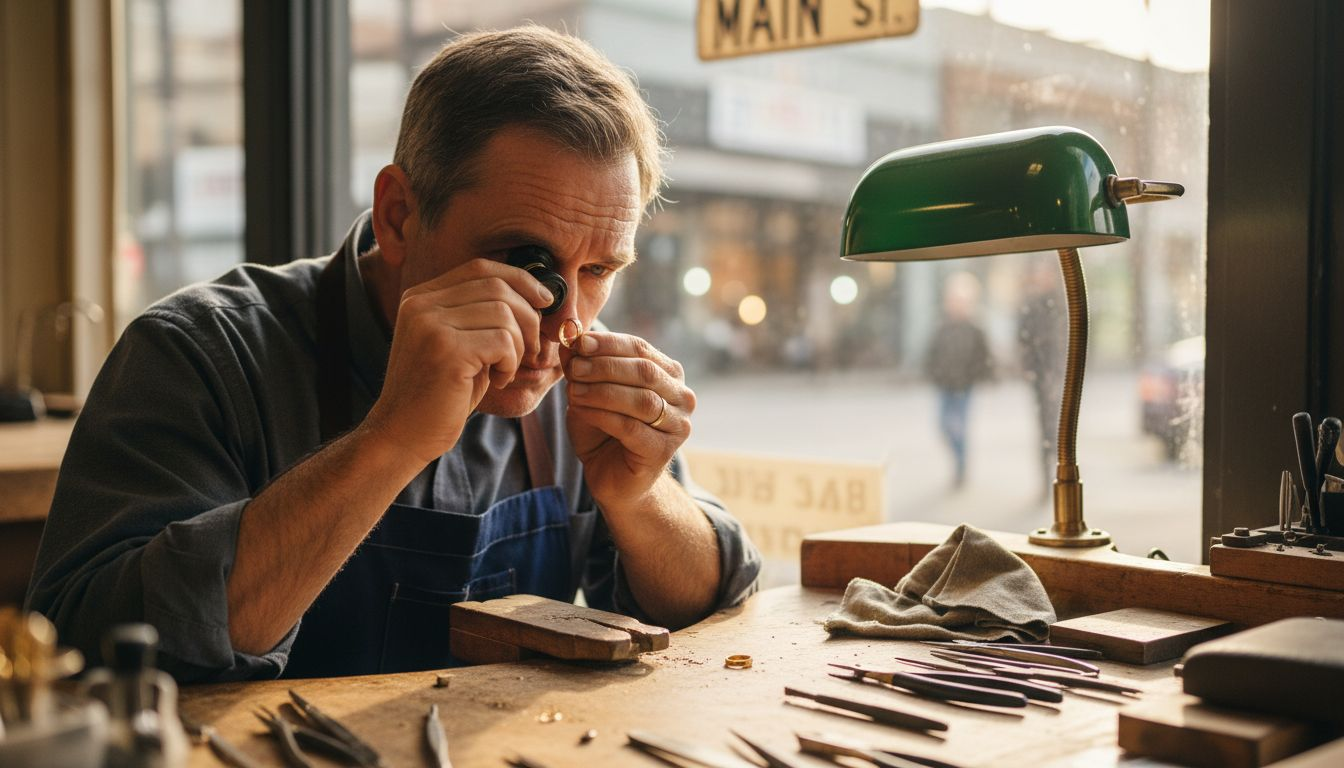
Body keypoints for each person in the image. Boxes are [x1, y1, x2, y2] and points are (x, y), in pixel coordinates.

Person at [26, 26, 760, 682]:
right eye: (524, 261)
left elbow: (711, 603)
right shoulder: (201, 355)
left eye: (599, 271)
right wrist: (392, 440)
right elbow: (94, 645)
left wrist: (641, 497)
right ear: (400, 215)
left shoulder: (578, 388)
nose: (566, 319)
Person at [924, 272, 993, 489]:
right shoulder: (942, 327)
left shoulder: (975, 328)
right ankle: (958, 461)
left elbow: (984, 358)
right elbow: (931, 353)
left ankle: (961, 467)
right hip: (945, 384)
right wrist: (933, 373)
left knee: (960, 428)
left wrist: (975, 376)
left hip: (963, 386)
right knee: (944, 425)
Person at [1017, 259, 1064, 499]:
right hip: (1041, 375)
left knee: (1058, 428)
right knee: (1045, 430)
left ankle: (1060, 477)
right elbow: (1023, 338)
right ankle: (1047, 480)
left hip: (1058, 374)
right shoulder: (1032, 305)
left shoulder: (1062, 303)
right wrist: (1029, 367)